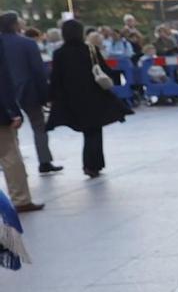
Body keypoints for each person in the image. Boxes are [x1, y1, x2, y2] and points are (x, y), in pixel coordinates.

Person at [47, 18, 129, 178]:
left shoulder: (59, 54)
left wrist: (51, 97)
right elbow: (105, 70)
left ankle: (91, 164)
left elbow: (55, 78)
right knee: (94, 130)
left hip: (72, 98)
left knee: (87, 130)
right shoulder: (90, 50)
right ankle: (93, 164)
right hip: (93, 96)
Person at [0, 14, 59, 178]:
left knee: (10, 132)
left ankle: (13, 167)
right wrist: (45, 95)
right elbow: (38, 71)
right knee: (39, 126)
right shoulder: (27, 43)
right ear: (15, 24)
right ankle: (44, 161)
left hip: (4, 93)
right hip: (28, 90)